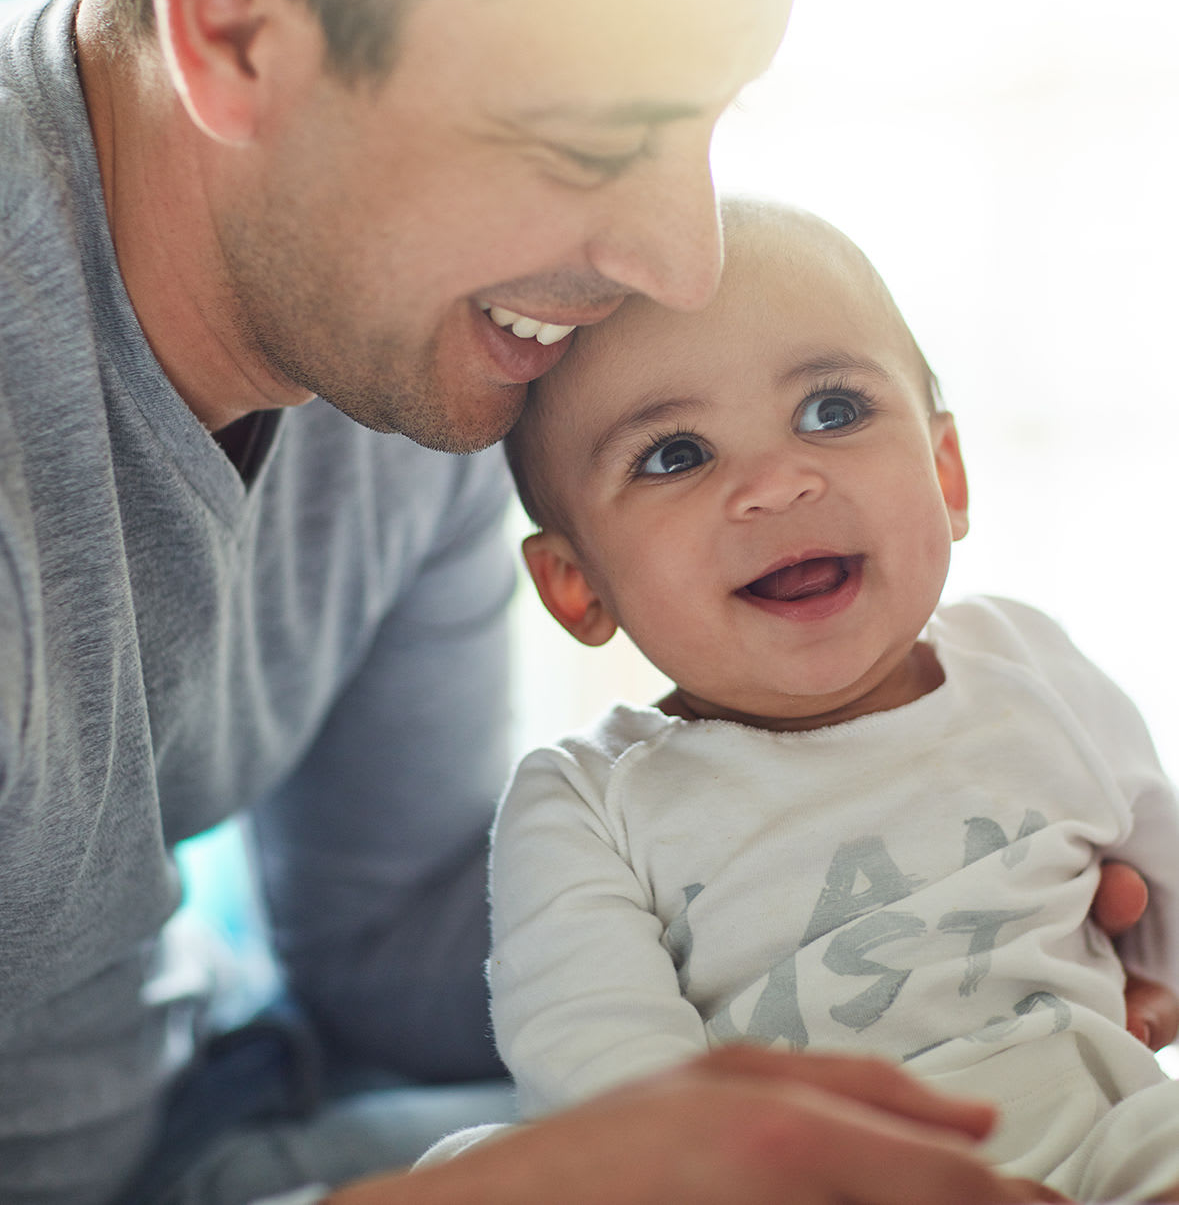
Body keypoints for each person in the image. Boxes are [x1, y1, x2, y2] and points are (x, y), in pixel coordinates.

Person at [0, 0, 1167, 1202]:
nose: (678, 261)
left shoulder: (393, 330)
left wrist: (902, 892)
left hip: (220, 1121)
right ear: (235, 26)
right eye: (589, 145)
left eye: (710, 120)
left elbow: (377, 947)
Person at [473, 197, 1179, 1200]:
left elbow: (1160, 879)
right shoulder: (586, 802)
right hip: (804, 1176)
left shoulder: (1027, 663)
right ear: (576, 582)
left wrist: (1153, 993)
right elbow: (607, 1085)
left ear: (947, 468)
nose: (777, 480)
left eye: (832, 410)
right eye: (675, 453)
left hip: (1102, 1131)